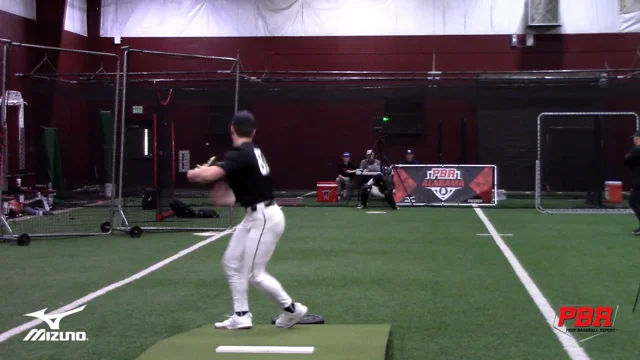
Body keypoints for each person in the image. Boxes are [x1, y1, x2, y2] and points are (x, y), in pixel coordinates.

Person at [186, 110, 308, 329]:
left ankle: (292, 310)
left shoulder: (240, 153)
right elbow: (244, 191)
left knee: (255, 274)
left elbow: (205, 176)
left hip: (264, 218)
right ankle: (241, 315)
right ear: (253, 131)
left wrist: (193, 173)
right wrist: (228, 197)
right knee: (231, 263)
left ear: (231, 129)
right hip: (256, 215)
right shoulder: (253, 152)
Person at [624, 130, 640, 235]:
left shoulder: (636, 150)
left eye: (635, 137)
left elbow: (626, 160)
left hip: (638, 180)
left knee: (633, 201)